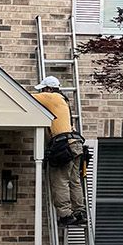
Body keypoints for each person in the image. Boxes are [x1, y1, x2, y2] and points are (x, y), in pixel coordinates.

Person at [32, 76, 87, 225]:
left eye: (43, 89)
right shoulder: (63, 99)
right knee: (74, 180)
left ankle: (65, 215)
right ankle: (79, 212)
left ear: (49, 89)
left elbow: (25, 98)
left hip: (63, 145)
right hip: (75, 144)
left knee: (60, 180)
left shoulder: (51, 97)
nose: (42, 92)